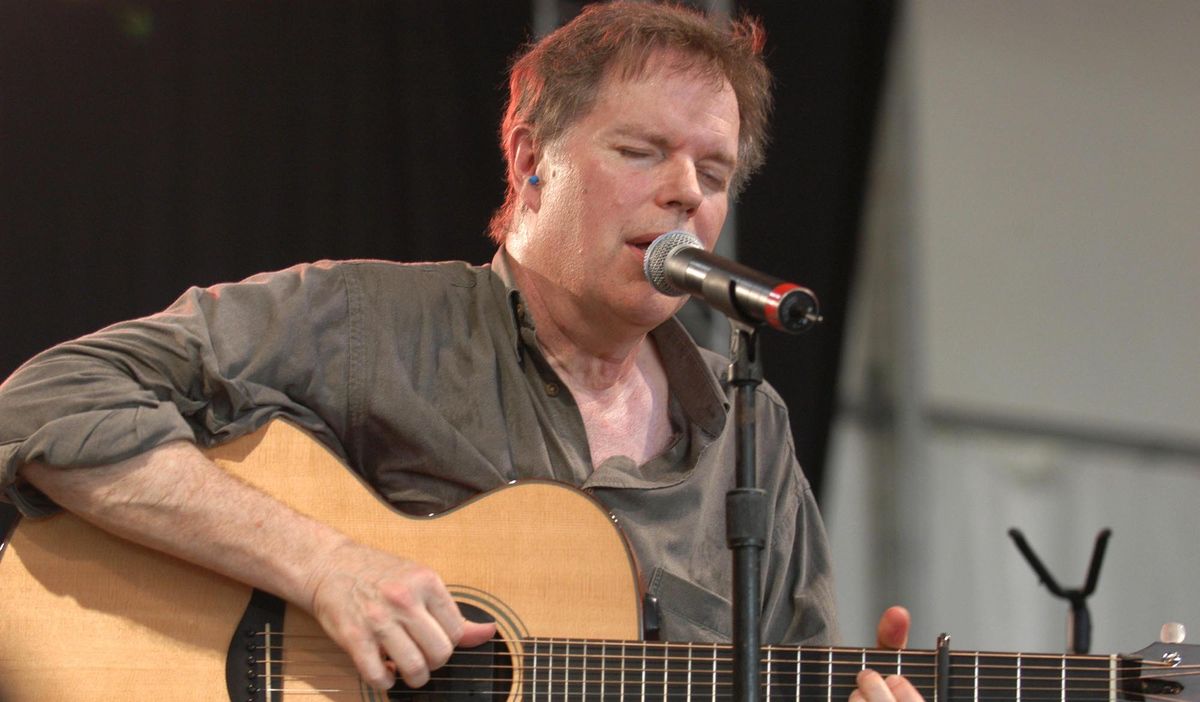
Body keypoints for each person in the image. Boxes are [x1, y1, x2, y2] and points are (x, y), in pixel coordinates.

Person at [0, 2, 921, 700]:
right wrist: (325, 567)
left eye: (713, 173)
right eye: (643, 151)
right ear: (529, 159)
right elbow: (45, 400)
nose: (686, 192)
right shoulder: (369, 324)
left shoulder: (749, 429)